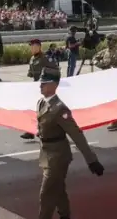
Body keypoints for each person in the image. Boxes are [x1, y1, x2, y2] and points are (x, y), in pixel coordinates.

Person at [35, 66, 104, 219]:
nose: (40, 85)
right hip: (46, 154)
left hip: (58, 157)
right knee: (58, 189)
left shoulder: (60, 109)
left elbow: (76, 135)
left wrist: (91, 160)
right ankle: (65, 215)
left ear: (54, 85)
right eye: (41, 82)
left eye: (44, 83)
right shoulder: (41, 102)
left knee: (46, 193)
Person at [93, 34, 117, 130]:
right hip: (108, 80)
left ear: (115, 41)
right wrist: (101, 64)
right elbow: (94, 58)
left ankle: (116, 121)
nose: (108, 42)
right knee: (111, 100)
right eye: (107, 40)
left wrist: (114, 69)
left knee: (116, 101)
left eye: (110, 40)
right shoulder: (105, 52)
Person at [22, 39, 55, 140]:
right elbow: (31, 73)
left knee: (45, 112)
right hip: (36, 86)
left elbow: (55, 71)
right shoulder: (32, 58)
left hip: (46, 87)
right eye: (31, 47)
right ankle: (31, 131)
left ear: (38, 47)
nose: (31, 48)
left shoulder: (45, 58)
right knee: (34, 109)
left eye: (33, 46)